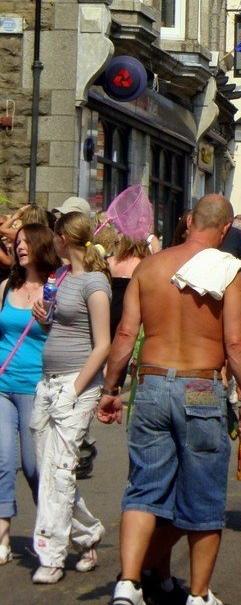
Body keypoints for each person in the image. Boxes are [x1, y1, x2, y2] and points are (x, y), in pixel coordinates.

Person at [97, 194, 241, 605]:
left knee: (144, 489)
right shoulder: (227, 271)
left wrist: (111, 389)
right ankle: (199, 595)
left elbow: (125, 336)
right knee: (203, 495)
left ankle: (128, 584)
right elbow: (236, 342)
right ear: (224, 231)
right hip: (201, 384)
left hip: (150, 383)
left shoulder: (149, 267)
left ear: (188, 222)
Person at [28, 212, 112, 585]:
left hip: (75, 385)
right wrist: (45, 316)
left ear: (64, 238)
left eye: (54, 236)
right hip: (47, 382)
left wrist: (76, 389)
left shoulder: (95, 283)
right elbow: (58, 325)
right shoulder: (61, 278)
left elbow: (103, 343)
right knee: (47, 470)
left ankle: (51, 554)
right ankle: (87, 533)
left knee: (60, 471)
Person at [0, 224, 58, 565]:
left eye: (25, 243)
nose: (19, 247)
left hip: (36, 386)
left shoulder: (55, 288)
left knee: (35, 467)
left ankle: (51, 526)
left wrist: (49, 321)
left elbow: (63, 335)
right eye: (16, 243)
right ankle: (3, 536)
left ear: (40, 247)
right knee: (3, 462)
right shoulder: (6, 286)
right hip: (3, 386)